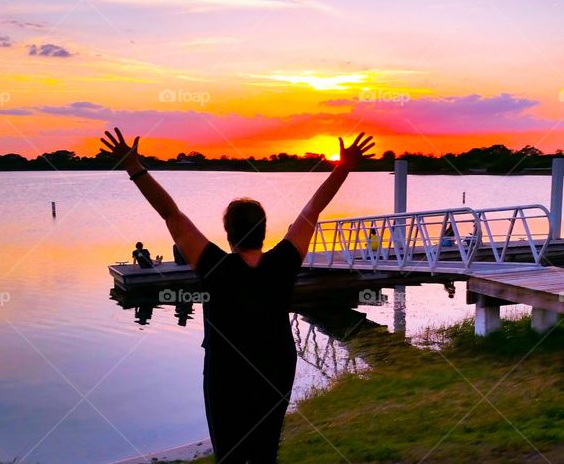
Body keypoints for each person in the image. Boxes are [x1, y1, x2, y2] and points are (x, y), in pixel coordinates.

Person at [100, 127, 374, 462]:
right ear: (264, 230)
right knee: (264, 452)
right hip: (276, 364)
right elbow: (312, 210)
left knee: (230, 455)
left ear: (228, 232)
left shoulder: (215, 266)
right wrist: (343, 167)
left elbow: (171, 214)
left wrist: (134, 167)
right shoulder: (284, 261)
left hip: (226, 371)